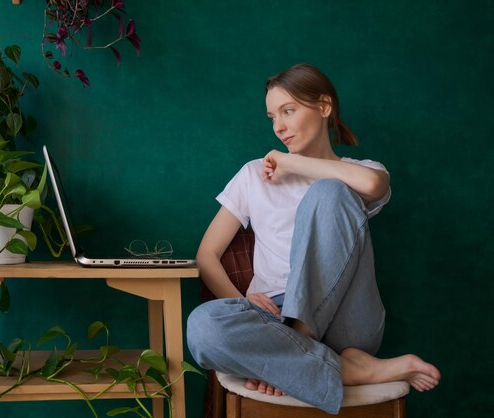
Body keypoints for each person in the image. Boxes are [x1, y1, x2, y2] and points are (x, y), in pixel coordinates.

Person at [186, 63, 441, 414]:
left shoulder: (364, 171)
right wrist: (244, 299)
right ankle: (346, 367)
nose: (279, 126)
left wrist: (293, 164)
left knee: (328, 192)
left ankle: (294, 350)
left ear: (324, 107)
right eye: (272, 116)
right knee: (203, 327)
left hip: (349, 319)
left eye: (288, 111)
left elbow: (370, 186)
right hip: (273, 316)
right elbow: (207, 255)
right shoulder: (253, 175)